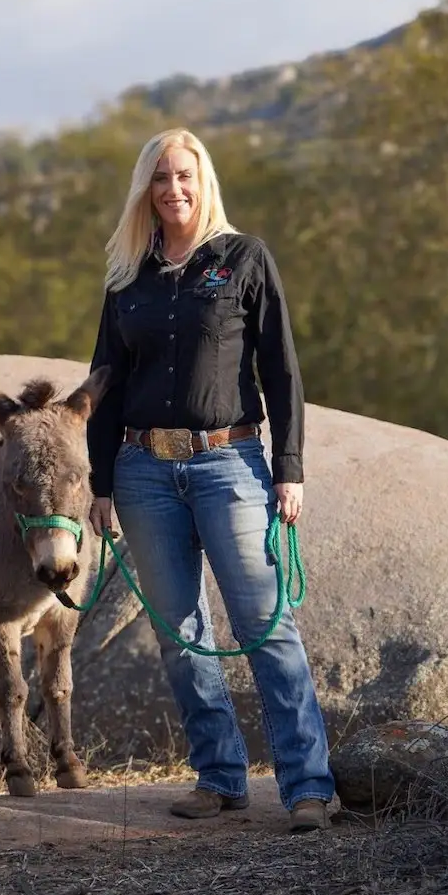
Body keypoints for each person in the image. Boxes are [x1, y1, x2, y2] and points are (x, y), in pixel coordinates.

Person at [84, 127, 334, 834]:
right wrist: (101, 483)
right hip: (142, 473)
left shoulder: (243, 259)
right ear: (145, 189)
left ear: (205, 181)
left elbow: (281, 371)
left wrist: (290, 469)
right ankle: (220, 776)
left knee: (264, 625)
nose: (174, 189)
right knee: (179, 631)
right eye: (160, 178)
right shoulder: (126, 276)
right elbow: (105, 379)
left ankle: (308, 785)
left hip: (230, 464)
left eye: (185, 176)